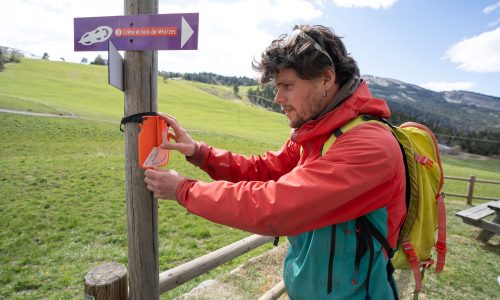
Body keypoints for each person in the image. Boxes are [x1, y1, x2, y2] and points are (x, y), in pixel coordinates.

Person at [144, 24, 406, 299]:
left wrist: (183, 190)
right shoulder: (317, 132)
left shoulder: (370, 146)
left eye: (288, 86)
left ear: (327, 78)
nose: (278, 99)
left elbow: (276, 206)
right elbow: (265, 170)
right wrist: (199, 152)